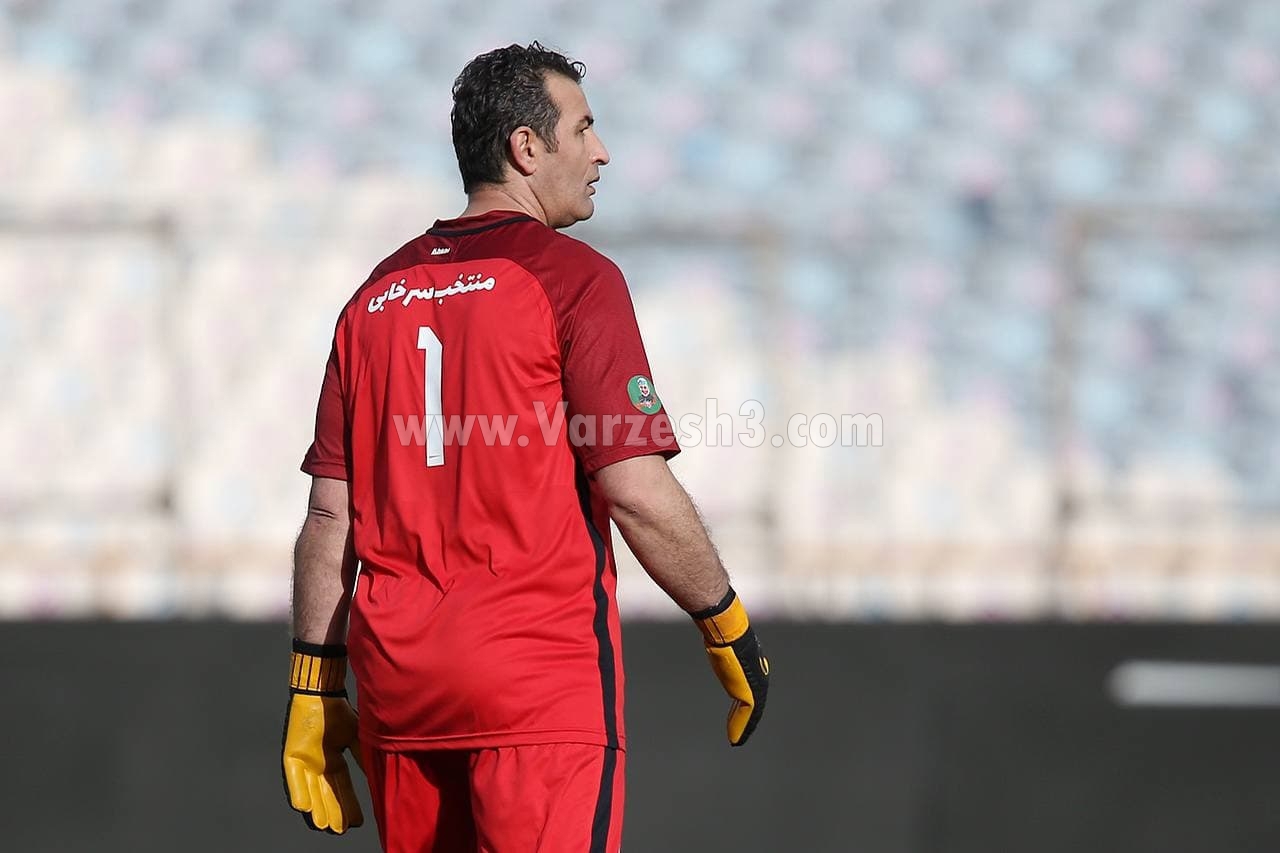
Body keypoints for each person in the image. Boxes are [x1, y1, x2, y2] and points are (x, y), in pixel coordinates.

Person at [280, 41, 770, 852]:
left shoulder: (372, 297)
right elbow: (635, 490)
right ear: (526, 147)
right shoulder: (573, 278)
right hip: (535, 687)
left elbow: (331, 518)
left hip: (401, 694)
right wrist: (724, 620)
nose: (602, 152)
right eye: (584, 128)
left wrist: (313, 682)